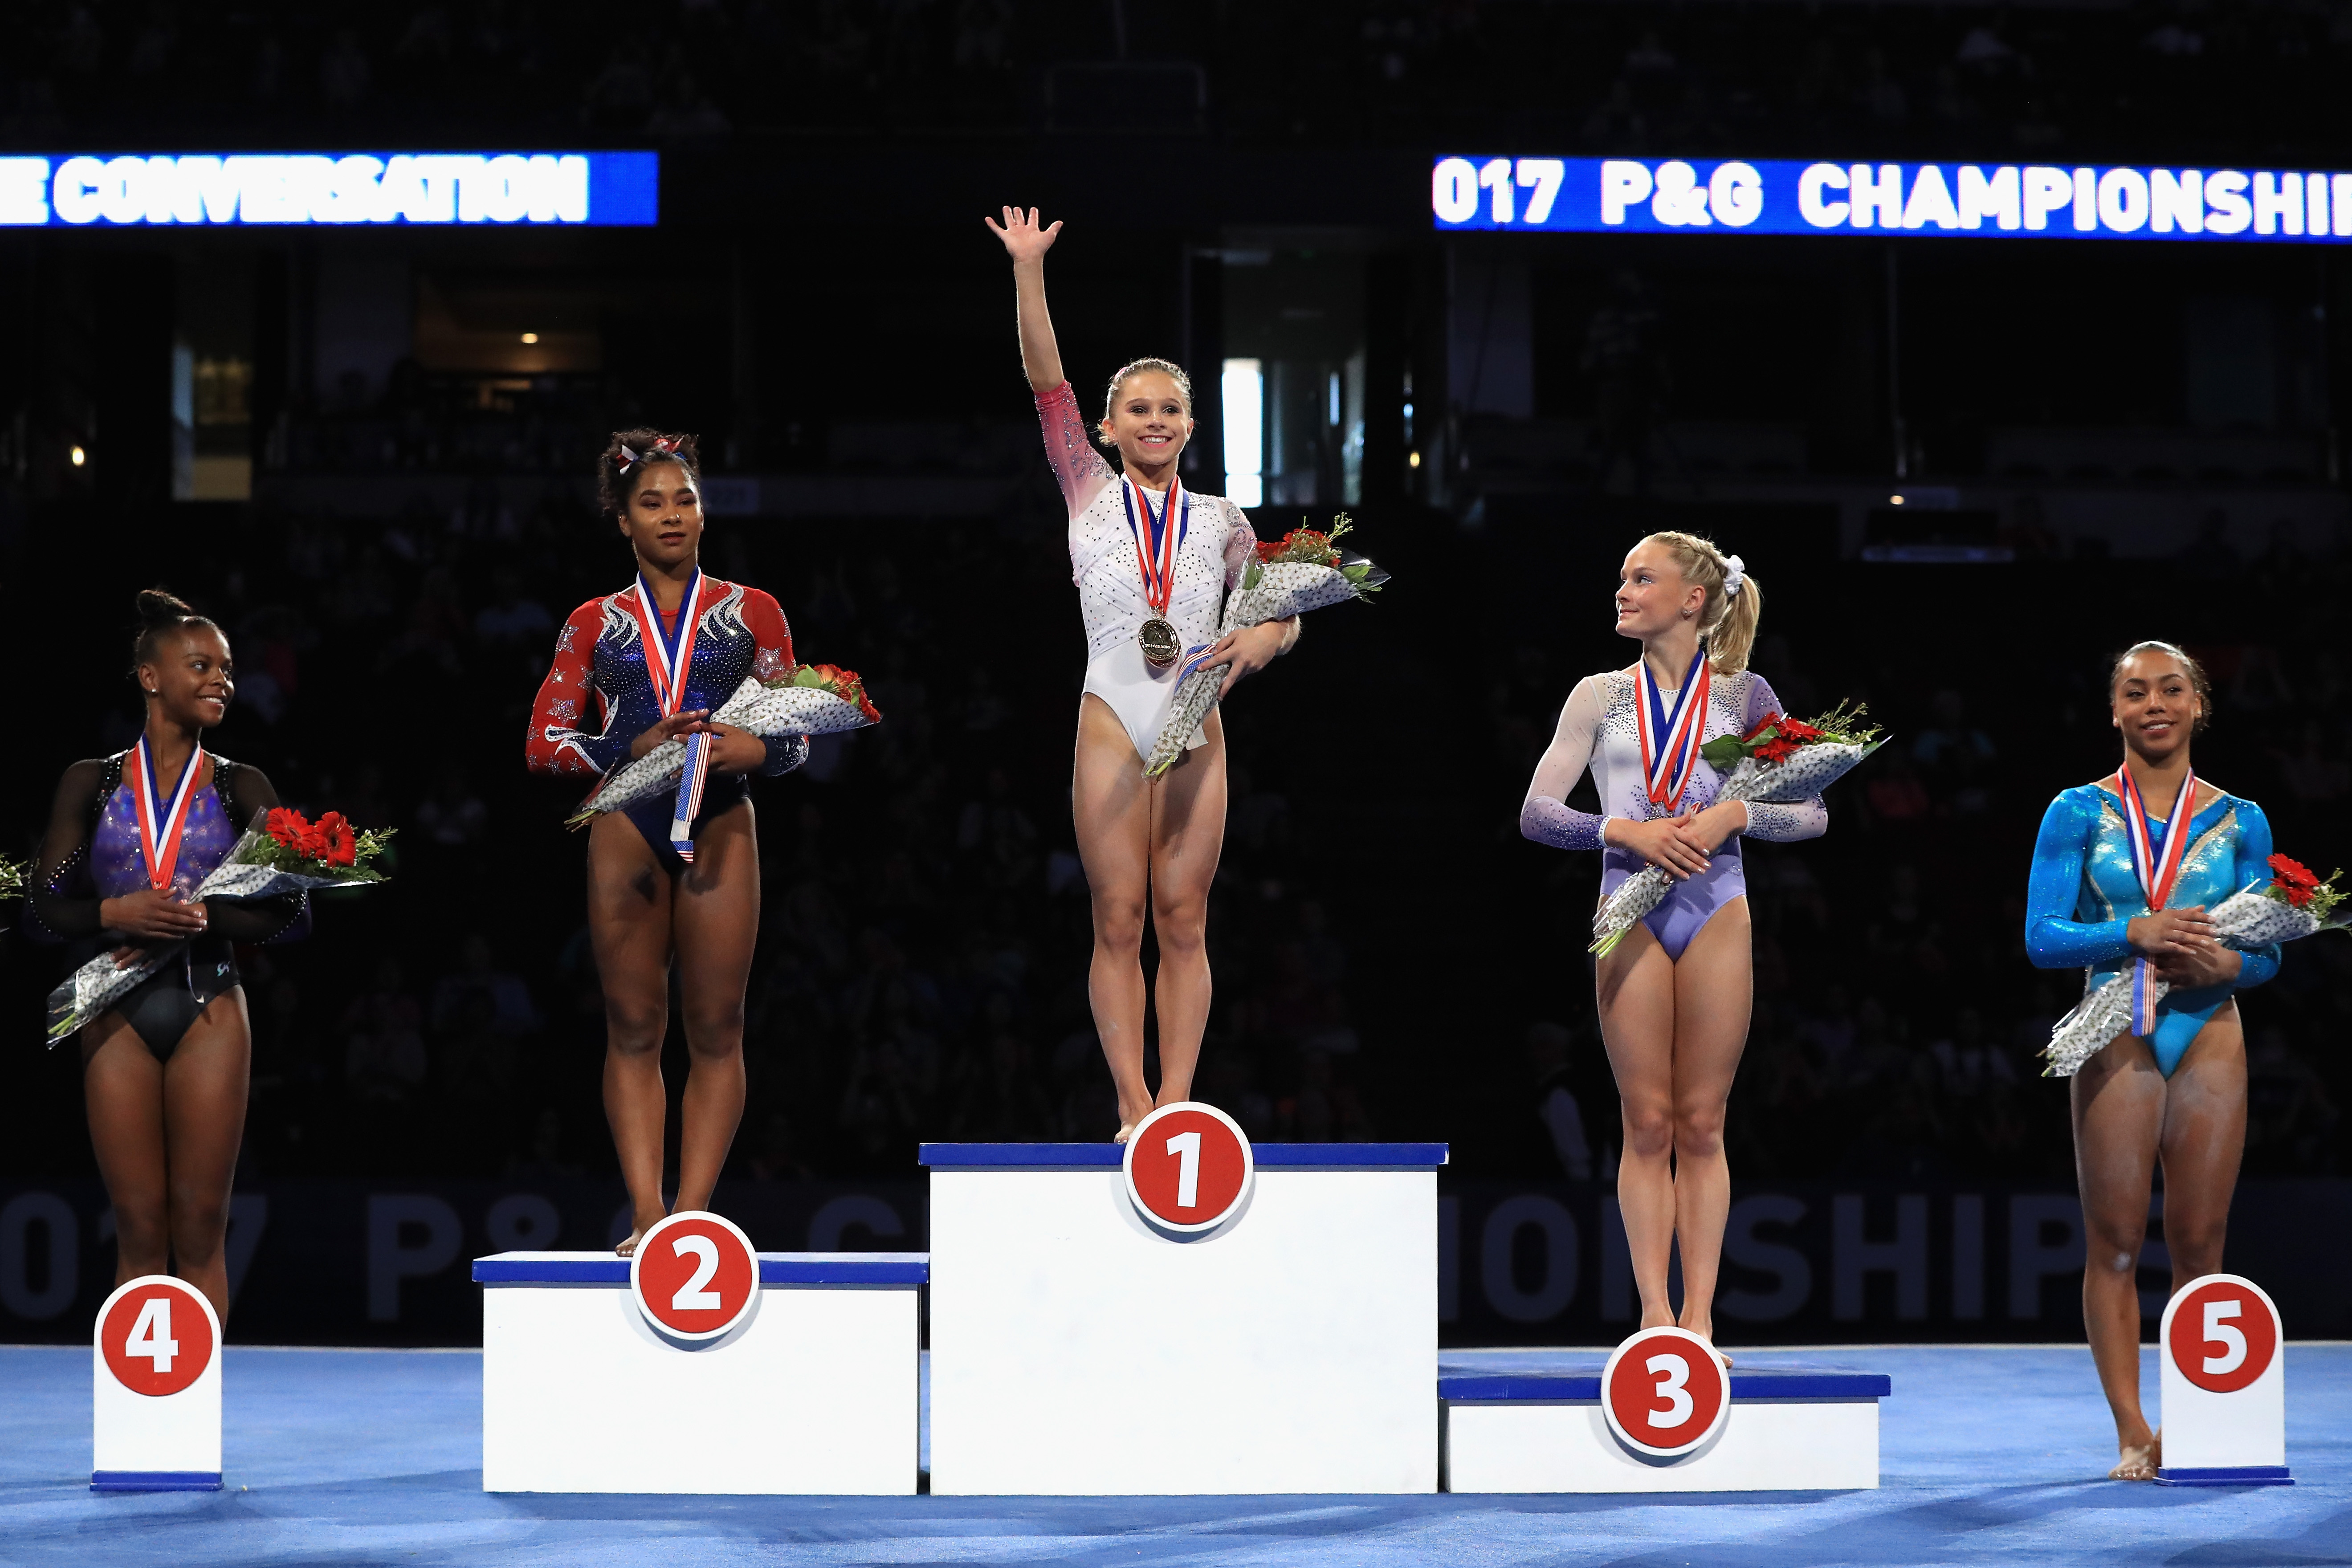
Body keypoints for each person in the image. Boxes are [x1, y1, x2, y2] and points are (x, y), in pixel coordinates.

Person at [986, 206, 1300, 1140]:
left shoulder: (1221, 519)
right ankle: (1129, 1102)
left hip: (1199, 719)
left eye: (1169, 408)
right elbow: (1044, 376)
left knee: (1184, 916)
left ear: (1191, 425)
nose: (1155, 420)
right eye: (1138, 409)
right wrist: (1028, 271)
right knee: (1119, 914)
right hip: (1111, 715)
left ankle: (1176, 1104)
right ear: (1107, 427)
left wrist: (1261, 642)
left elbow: (1282, 610)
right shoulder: (1084, 488)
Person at [1519, 533, 1826, 1362]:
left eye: (1639, 577)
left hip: (1716, 907)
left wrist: (1737, 814)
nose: (1621, 590)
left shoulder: (1744, 695)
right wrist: (1623, 829)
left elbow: (1812, 812)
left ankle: (1701, 1319)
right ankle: (1653, 1315)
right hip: (1628, 907)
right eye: (1621, 576)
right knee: (1645, 1120)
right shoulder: (1596, 694)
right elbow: (1537, 811)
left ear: (1692, 599)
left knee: (1701, 1120)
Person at [525, 430, 810, 1254]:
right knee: (633, 1023)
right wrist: (632, 747)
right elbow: (544, 743)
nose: (673, 514)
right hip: (626, 823)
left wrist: (760, 749)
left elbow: (792, 732)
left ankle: (691, 1214)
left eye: (684, 498)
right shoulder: (595, 622)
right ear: (622, 520)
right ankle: (646, 1215)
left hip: (722, 821)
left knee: (718, 1023)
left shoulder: (753, 611)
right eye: (652, 502)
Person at [2024, 641, 2278, 1481]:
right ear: (2114, 711)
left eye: (2170, 689)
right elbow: (2041, 935)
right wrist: (2127, 931)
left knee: (2202, 1240)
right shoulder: (2074, 811)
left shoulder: (2241, 818)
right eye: (2134, 693)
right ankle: (2133, 1429)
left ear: (2199, 703)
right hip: (2115, 1023)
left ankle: (2199, 1423)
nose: (2153, 704)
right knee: (2118, 1242)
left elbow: (2270, 949)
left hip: (2208, 1024)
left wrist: (2231, 966)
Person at [28, 590, 309, 1323]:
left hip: (209, 1004)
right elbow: (43, 908)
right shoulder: (88, 783)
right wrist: (110, 912)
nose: (222, 679)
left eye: (227, 667)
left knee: (200, 1228)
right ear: (151, 678)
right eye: (201, 665)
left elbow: (292, 914)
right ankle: (140, 1418)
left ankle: (200, 1413)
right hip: (114, 1007)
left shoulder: (241, 785)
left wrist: (208, 915)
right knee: (141, 1227)